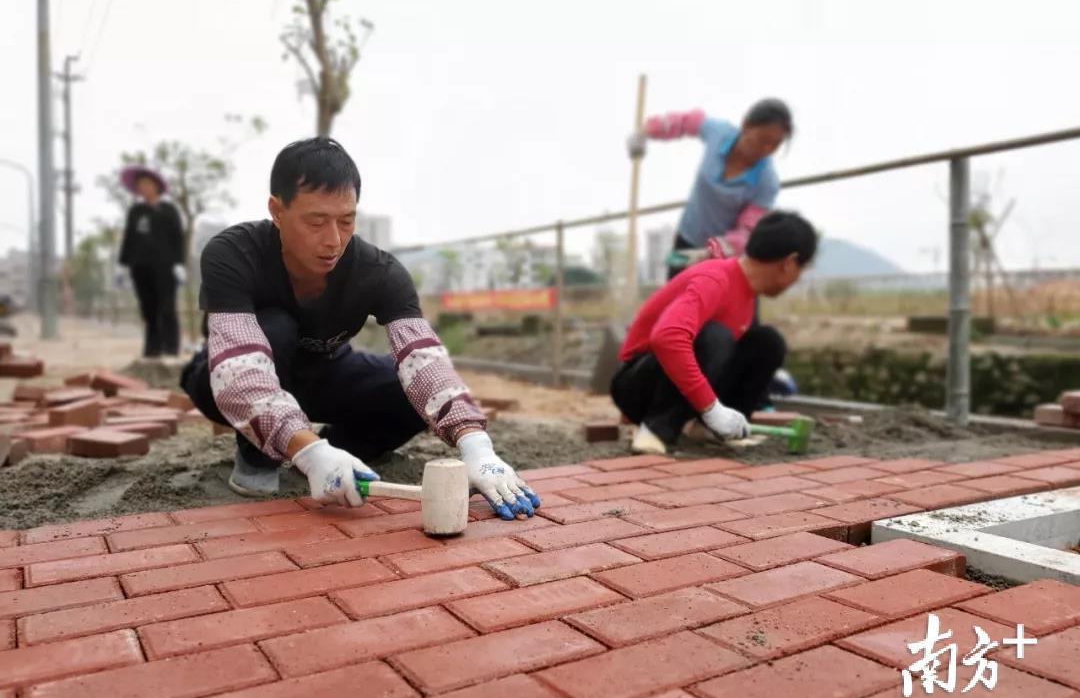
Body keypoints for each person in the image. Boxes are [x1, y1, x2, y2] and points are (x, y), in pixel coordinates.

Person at [180, 137, 541, 521]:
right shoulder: (233, 253)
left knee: (410, 389)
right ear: (277, 210)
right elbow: (238, 370)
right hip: (225, 377)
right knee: (277, 327)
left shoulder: (379, 271)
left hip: (324, 376)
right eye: (316, 221)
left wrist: (476, 447)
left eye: (346, 220)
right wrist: (308, 452)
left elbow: (422, 359)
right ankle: (263, 458)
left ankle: (334, 452)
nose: (333, 240)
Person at [610, 210, 816, 455]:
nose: (797, 278)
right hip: (638, 384)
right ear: (789, 263)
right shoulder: (716, 278)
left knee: (766, 342)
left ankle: (713, 430)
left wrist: (714, 413)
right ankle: (656, 431)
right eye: (801, 270)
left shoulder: (747, 294)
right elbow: (667, 337)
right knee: (716, 335)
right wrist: (711, 408)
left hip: (677, 388)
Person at [626, 98, 793, 279]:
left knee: (714, 304)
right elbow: (683, 122)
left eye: (775, 145)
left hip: (724, 258)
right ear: (745, 125)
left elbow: (745, 231)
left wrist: (707, 253)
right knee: (675, 302)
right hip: (687, 239)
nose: (766, 149)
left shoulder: (766, 183)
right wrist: (645, 132)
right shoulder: (718, 133)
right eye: (762, 140)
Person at [117, 166, 186, 358]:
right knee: (148, 308)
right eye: (140, 185)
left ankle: (171, 348)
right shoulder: (135, 211)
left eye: (147, 184)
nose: (143, 188)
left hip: (166, 266)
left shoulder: (169, 210)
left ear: (156, 186)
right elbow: (129, 238)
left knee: (167, 306)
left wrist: (179, 263)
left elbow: (178, 237)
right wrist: (123, 265)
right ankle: (152, 348)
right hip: (140, 266)